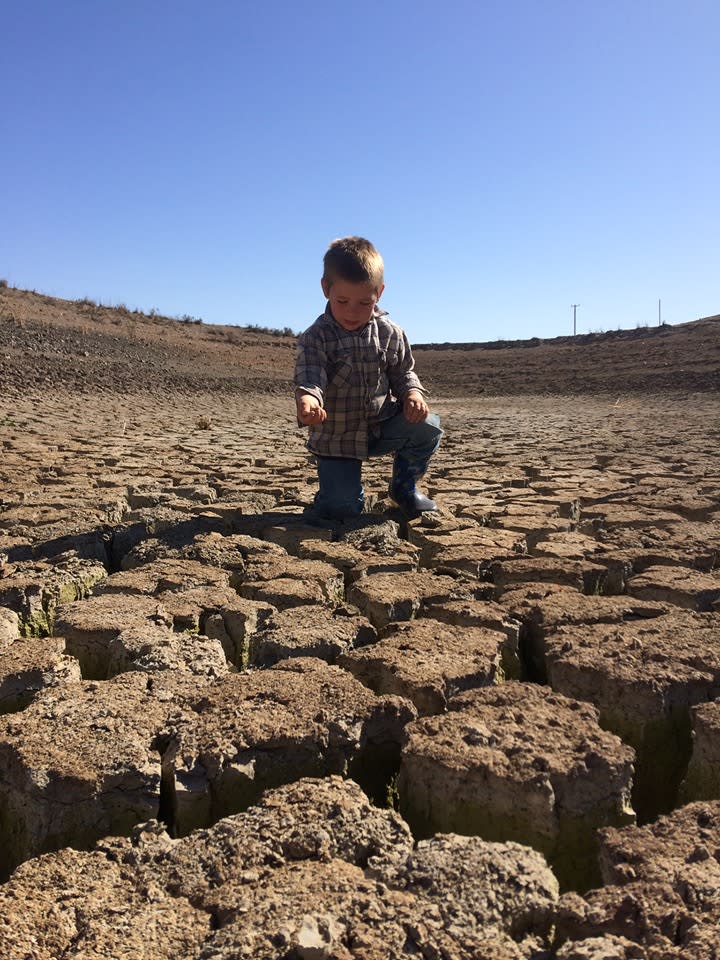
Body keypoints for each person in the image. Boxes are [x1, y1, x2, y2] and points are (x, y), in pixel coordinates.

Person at [294, 236, 443, 524]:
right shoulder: (316, 337)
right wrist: (309, 399)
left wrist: (413, 394)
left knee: (427, 426)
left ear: (380, 293)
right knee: (342, 510)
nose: (352, 311)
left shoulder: (391, 332)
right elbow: (311, 375)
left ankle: (404, 488)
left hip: (381, 426)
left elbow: (403, 372)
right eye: (342, 301)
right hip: (338, 438)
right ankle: (331, 498)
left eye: (364, 302)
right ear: (326, 289)